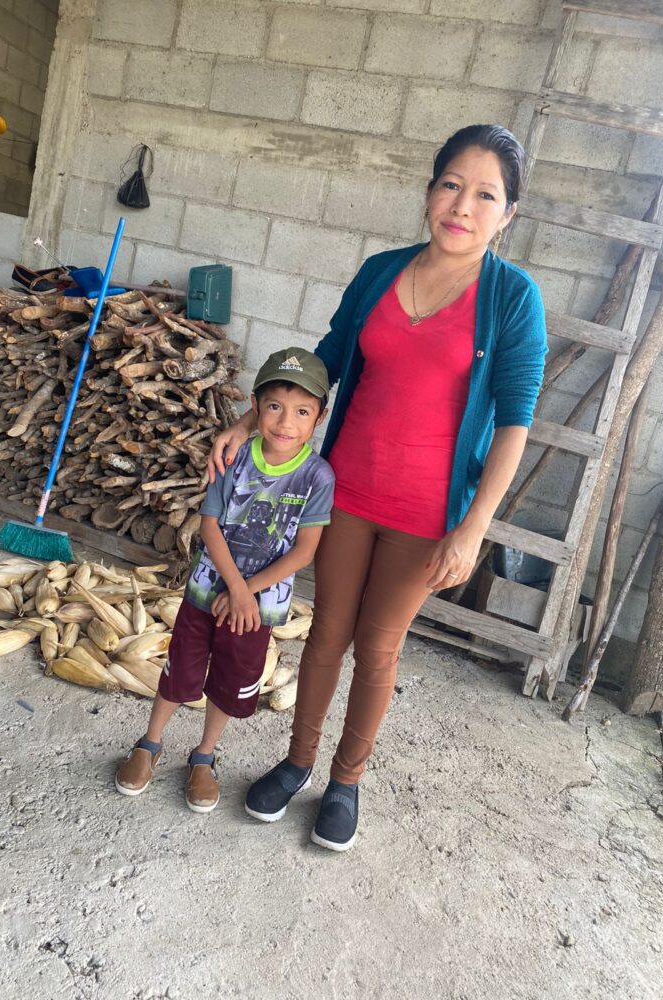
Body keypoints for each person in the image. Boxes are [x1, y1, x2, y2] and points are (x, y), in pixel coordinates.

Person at [209, 124, 548, 851]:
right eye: (450, 185)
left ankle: (346, 780)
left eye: (485, 195)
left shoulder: (513, 298)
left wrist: (474, 527)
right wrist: (246, 419)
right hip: (343, 496)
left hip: (426, 514)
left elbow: (515, 422)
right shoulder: (380, 273)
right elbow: (323, 363)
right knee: (327, 631)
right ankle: (298, 762)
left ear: (507, 214)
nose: (462, 206)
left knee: (379, 646)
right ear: (429, 192)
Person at [115, 347, 335, 813]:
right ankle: (149, 743)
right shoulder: (235, 456)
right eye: (274, 406)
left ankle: (204, 757)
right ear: (254, 406)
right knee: (180, 668)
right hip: (206, 592)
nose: (286, 422)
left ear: (319, 417)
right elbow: (211, 524)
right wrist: (235, 588)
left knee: (229, 680)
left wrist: (246, 594)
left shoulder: (318, 476)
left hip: (257, 608)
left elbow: (305, 550)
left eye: (302, 412)